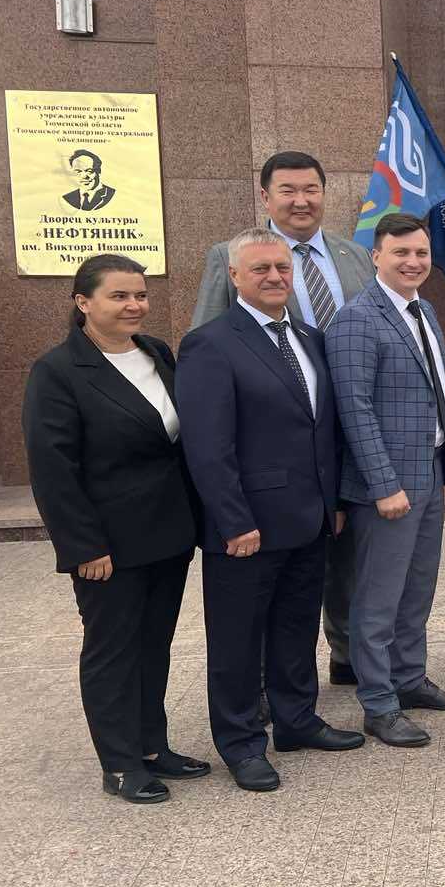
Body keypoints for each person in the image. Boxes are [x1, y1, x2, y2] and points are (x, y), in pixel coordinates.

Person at [177, 229, 364, 791]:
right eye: (260, 269)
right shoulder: (210, 343)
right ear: (234, 276)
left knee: (296, 626)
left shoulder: (307, 335)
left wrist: (332, 502)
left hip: (308, 517)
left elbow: (321, 429)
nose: (275, 277)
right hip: (247, 526)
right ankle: (240, 743)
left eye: (282, 267)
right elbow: (208, 446)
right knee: (238, 641)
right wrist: (233, 521)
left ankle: (297, 720)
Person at [23, 255, 206, 804]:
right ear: (84, 303)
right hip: (108, 545)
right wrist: (83, 545)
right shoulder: (58, 371)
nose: (134, 306)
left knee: (154, 645)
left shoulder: (156, 353)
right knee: (112, 651)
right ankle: (120, 763)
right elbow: (53, 469)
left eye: (140, 295)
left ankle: (152, 747)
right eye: (119, 296)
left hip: (168, 533)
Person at [192, 151, 375, 687]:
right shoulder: (230, 255)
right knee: (277, 578)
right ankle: (264, 683)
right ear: (266, 196)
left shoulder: (353, 254)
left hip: (342, 428)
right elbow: (209, 338)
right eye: (288, 190)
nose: (301, 200)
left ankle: (346, 654)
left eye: (311, 189)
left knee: (342, 550)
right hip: (271, 441)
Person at [326, 212, 445, 748]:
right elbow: (355, 409)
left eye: (421, 253)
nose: (413, 262)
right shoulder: (356, 319)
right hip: (386, 485)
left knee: (417, 588)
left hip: (428, 471)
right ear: (376, 257)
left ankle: (409, 679)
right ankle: (379, 703)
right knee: (378, 597)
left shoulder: (423, 310)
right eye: (401, 253)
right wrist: (383, 485)